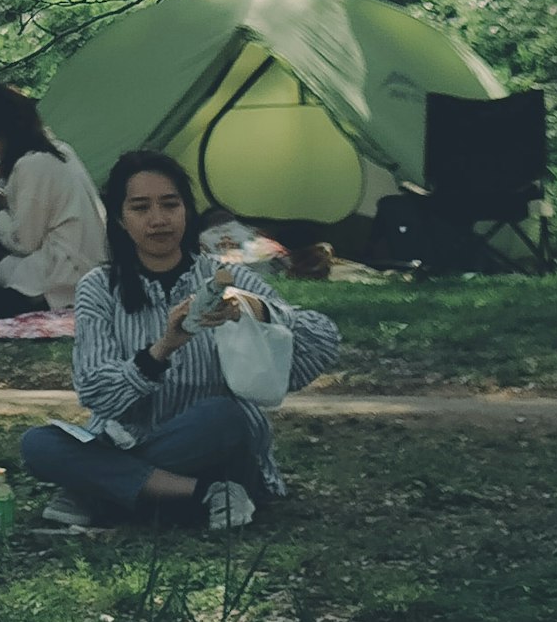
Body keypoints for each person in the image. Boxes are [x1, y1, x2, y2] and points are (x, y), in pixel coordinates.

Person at [20, 149, 340, 533]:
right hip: (133, 438)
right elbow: (95, 391)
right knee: (39, 444)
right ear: (121, 220)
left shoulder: (223, 278)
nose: (158, 220)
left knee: (227, 417)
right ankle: (198, 494)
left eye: (170, 205)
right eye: (141, 208)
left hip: (210, 443)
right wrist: (163, 348)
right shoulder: (100, 287)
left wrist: (253, 308)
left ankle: (102, 488)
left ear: (186, 212)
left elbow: (322, 337)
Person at [0, 82, 104, 317]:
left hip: (64, 278)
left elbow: (22, 241)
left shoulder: (31, 164)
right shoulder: (60, 151)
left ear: (1, 132)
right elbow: (36, 213)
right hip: (87, 269)